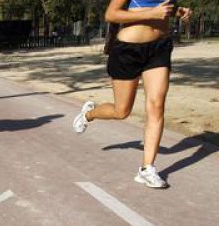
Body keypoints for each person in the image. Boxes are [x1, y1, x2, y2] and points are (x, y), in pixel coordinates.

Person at [73, 0, 191, 189]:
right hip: (128, 50)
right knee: (121, 111)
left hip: (159, 47)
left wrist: (178, 11)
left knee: (156, 104)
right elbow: (111, 14)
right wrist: (151, 14)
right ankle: (90, 113)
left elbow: (164, 8)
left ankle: (147, 169)